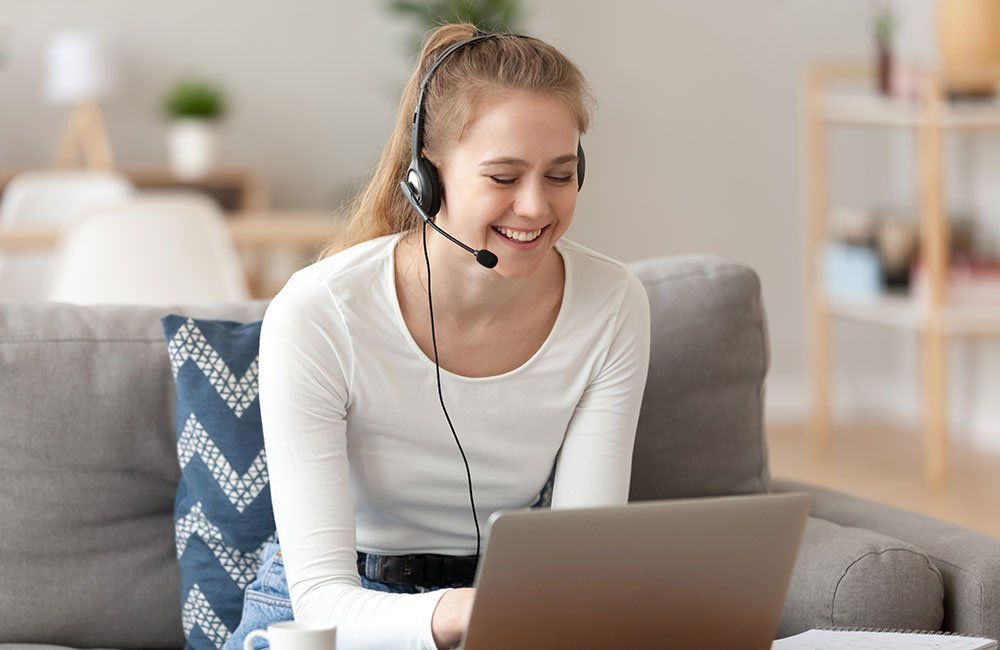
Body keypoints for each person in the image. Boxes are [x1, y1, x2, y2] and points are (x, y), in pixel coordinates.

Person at [224, 22, 651, 650]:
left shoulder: (611, 304)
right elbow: (319, 601)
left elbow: (580, 558)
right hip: (339, 614)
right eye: (503, 178)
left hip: (511, 603)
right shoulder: (320, 312)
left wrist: (518, 609)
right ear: (428, 176)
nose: (535, 207)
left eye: (560, 175)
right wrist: (459, 613)